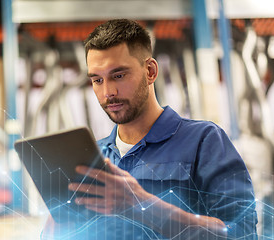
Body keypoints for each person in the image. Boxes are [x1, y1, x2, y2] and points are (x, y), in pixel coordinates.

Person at [41, 19, 258, 240]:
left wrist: (142, 205)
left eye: (118, 75)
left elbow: (243, 233)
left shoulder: (204, 141)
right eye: (97, 80)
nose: (108, 92)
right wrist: (57, 227)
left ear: (151, 71)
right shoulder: (92, 157)